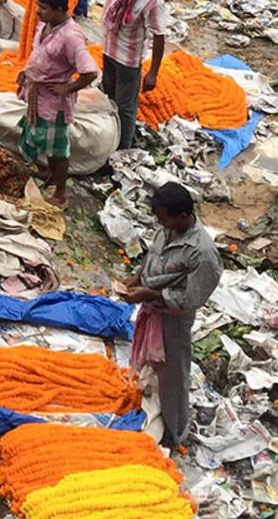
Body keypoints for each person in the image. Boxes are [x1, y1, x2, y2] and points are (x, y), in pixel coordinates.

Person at [119, 180, 222, 452]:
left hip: (173, 317)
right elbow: (152, 259)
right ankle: (152, 402)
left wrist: (149, 294)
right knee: (154, 363)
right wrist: (135, 279)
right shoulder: (167, 229)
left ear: (183, 215)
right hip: (152, 307)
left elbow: (190, 299)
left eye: (164, 218)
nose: (160, 223)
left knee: (173, 374)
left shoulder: (202, 252)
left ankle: (175, 432)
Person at [16, 0, 98, 206]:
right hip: (38, 94)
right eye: (38, 7)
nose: (38, 12)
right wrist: (26, 73)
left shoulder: (71, 37)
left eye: (43, 8)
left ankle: (61, 194)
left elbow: (90, 71)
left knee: (59, 149)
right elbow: (38, 55)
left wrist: (68, 88)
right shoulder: (45, 26)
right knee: (44, 139)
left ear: (60, 9)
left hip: (55, 101)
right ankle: (49, 173)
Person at [79, 0, 165, 152]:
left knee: (125, 108)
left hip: (128, 60)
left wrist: (153, 72)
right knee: (108, 98)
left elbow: (159, 35)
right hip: (109, 51)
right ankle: (107, 139)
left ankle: (122, 150)